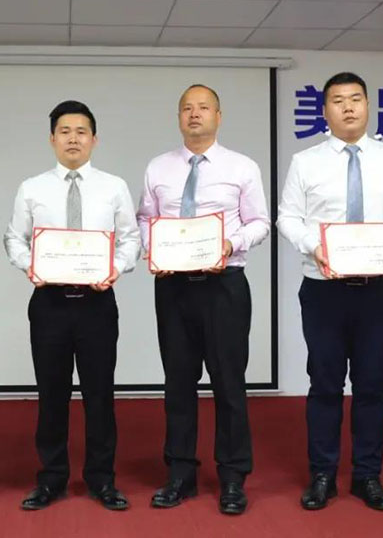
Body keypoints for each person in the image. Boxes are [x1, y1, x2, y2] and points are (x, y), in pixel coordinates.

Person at [276, 71, 383, 512]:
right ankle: (322, 474)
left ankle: (367, 475)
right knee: (324, 383)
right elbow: (288, 217)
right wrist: (314, 246)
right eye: (338, 100)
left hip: (378, 289)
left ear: (368, 105)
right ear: (325, 111)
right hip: (325, 289)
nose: (348, 107)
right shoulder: (306, 162)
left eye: (356, 98)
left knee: (372, 384)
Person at [136, 84, 270, 515]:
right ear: (178, 117)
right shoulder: (158, 167)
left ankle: (232, 477)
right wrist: (152, 248)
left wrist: (230, 244)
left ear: (218, 115)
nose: (195, 114)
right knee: (178, 382)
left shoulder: (242, 167)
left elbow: (260, 222)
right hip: (173, 285)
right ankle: (180, 474)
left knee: (229, 382)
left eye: (203, 107)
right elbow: (145, 219)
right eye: (187, 109)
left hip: (223, 285)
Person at [4, 101, 141, 512]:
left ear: (94, 139)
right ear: (52, 139)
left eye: (81, 132)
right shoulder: (32, 187)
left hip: (98, 302)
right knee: (52, 394)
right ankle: (51, 478)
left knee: (100, 394)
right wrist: (31, 266)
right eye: (64, 131)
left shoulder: (113, 186)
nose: (73, 139)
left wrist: (115, 268)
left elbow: (131, 239)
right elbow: (14, 239)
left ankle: (102, 479)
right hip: (50, 302)